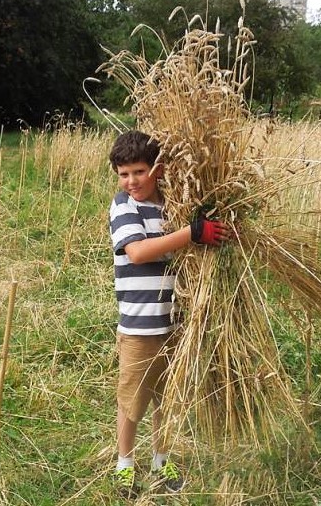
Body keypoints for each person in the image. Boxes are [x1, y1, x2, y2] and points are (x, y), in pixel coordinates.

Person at [108, 130, 232, 498]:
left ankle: (163, 459)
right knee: (133, 399)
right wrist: (191, 233)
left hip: (176, 320)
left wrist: (211, 229)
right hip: (139, 325)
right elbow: (138, 252)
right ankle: (125, 464)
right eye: (124, 173)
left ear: (157, 170)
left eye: (140, 172)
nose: (131, 181)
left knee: (169, 395)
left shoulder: (173, 206)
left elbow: (193, 241)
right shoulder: (123, 206)